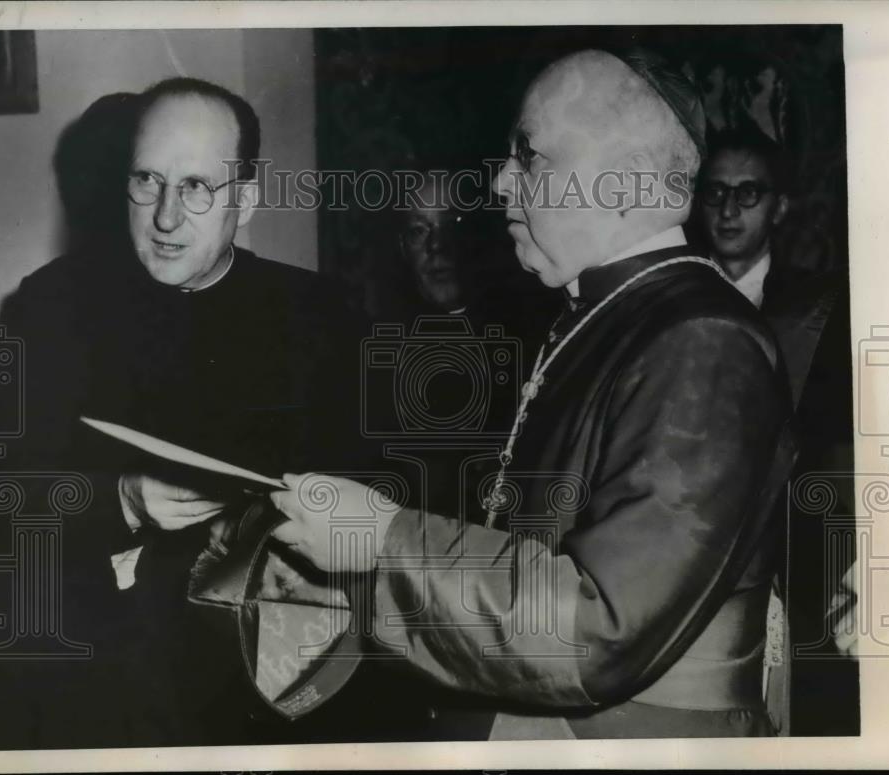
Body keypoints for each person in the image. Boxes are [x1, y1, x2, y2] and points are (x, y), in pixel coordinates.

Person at [267, 49, 798, 739]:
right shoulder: (612, 314)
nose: (499, 182)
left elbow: (600, 624)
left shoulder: (703, 338)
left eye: (529, 156)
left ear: (626, 185)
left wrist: (381, 538)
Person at [0, 78, 365, 748]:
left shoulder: (321, 317)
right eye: (147, 180)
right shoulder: (48, 307)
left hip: (256, 688)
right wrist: (119, 500)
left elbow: (370, 517)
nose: (164, 217)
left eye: (196, 188)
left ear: (246, 198)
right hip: (88, 685)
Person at [697, 129, 858, 735]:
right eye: (714, 192)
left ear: (780, 206)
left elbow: (841, 453)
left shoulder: (823, 311)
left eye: (748, 192)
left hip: (794, 559)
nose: (730, 208)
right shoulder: (670, 300)